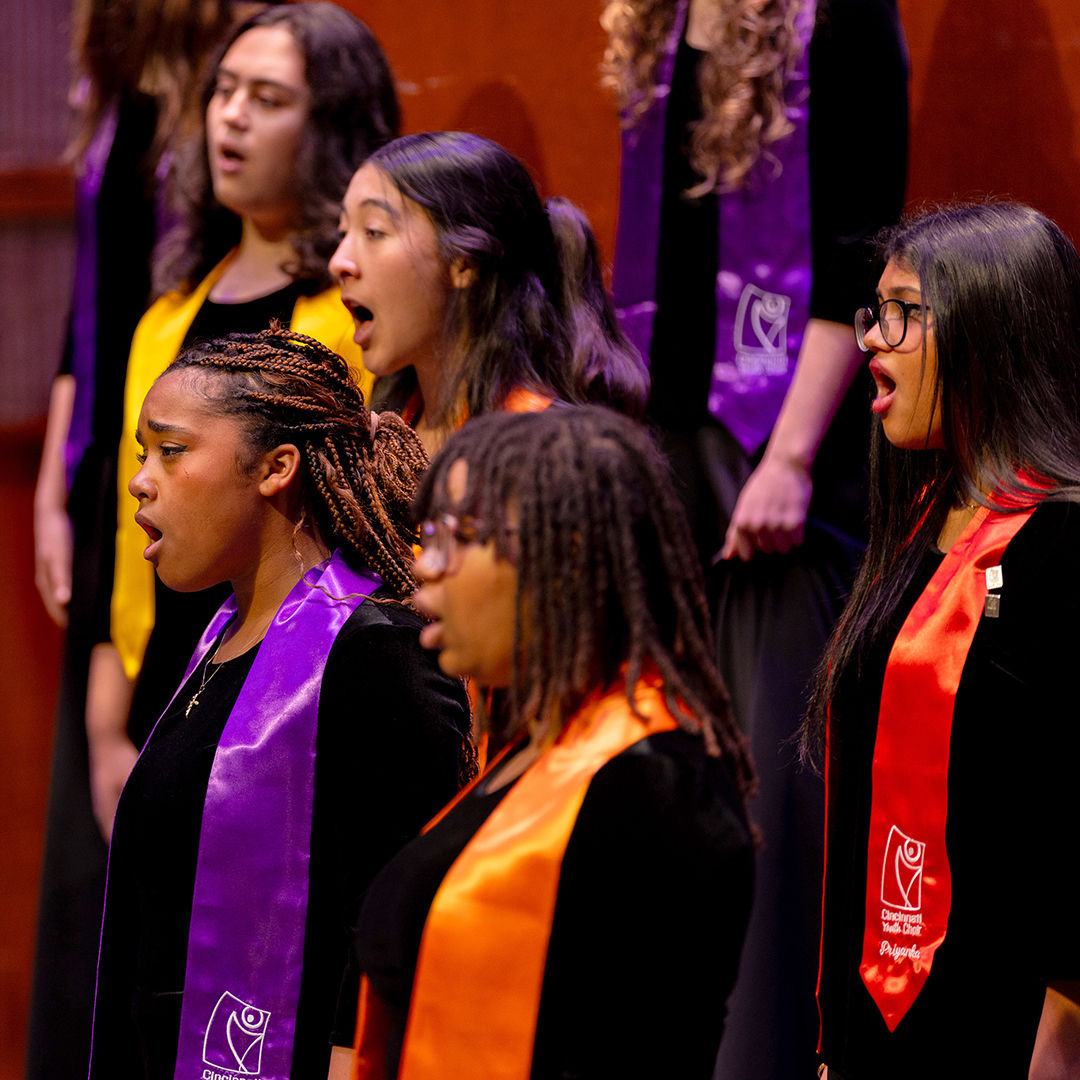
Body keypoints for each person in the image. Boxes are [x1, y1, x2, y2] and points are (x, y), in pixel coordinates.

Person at [602, 2, 908, 1073]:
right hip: (668, 448)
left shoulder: (845, 16)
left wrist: (784, 459)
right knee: (663, 782)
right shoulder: (660, 16)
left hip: (782, 462)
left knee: (769, 800)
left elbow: (859, 256)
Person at [88, 328, 473, 1080]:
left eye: (170, 450)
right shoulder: (218, 640)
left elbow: (392, 920)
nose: (141, 480)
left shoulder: (374, 652)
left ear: (275, 469)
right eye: (141, 454)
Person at [346, 406, 756, 1079]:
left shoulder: (652, 789)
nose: (425, 569)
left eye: (455, 538)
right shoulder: (525, 756)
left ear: (559, 555)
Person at [90, 3, 400, 839]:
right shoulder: (166, 315)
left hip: (284, 693)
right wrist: (104, 721)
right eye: (224, 90)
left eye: (266, 98)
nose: (230, 113)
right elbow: (126, 537)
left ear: (329, 124)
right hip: (157, 676)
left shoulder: (351, 324)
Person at [28, 4, 252, 1075]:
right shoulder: (116, 77)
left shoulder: (237, 71)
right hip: (110, 473)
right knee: (90, 823)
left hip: (197, 473)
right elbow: (91, 321)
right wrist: (49, 488)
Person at [807, 202, 1080, 1079]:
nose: (871, 340)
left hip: (1004, 1033)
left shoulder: (1067, 550)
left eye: (901, 313)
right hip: (878, 1030)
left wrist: (1063, 1038)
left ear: (990, 328)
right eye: (870, 312)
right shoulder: (915, 527)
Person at [328, 131, 649, 454]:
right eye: (343, 232)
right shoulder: (381, 430)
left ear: (464, 263)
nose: (338, 262)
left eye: (374, 232)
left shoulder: (545, 452)